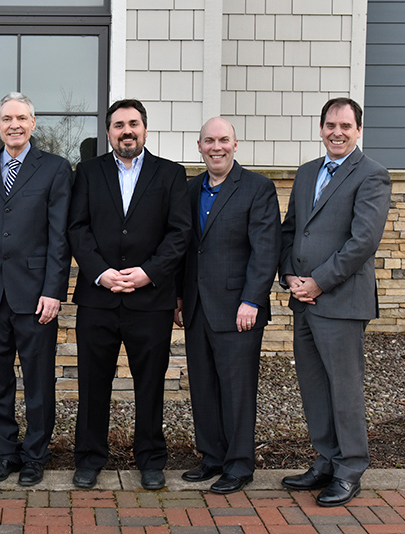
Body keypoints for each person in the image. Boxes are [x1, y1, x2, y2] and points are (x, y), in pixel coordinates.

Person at [68, 98, 191, 490]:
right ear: (108, 132)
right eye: (119, 125)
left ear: (145, 130)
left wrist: (148, 273)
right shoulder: (87, 172)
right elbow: (77, 228)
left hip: (149, 300)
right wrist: (102, 273)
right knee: (92, 383)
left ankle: (151, 459)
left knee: (151, 383)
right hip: (98, 298)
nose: (126, 131)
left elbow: (179, 233)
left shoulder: (171, 174)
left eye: (133, 124)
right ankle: (89, 458)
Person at [279, 98, 391, 507]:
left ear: (358, 129)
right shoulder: (308, 172)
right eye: (330, 125)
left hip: (340, 300)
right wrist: (290, 275)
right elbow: (291, 229)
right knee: (313, 386)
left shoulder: (373, 175)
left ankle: (350, 469)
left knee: (344, 389)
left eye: (346, 125)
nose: (337, 132)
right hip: (304, 300)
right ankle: (326, 459)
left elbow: (363, 241)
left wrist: (319, 283)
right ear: (321, 127)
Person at [0, 92, 72, 486]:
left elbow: (59, 237)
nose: (14, 124)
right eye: (6, 118)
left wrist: (54, 290)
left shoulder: (56, 169)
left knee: (38, 381)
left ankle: (34, 456)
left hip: (36, 295)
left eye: (21, 118)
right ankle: (6, 453)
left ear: (33, 123)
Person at [173, 117, 281, 494]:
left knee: (237, 390)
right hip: (198, 306)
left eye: (223, 140)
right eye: (209, 141)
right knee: (203, 387)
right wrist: (179, 296)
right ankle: (212, 458)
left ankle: (239, 465)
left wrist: (252, 299)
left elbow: (266, 251)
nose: (216, 147)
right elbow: (184, 248)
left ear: (235, 145)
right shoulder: (189, 190)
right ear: (199, 146)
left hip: (239, 309)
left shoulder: (257, 188)